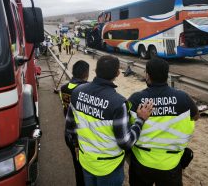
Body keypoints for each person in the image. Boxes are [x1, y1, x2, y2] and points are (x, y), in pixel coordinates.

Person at [65, 55, 153, 186]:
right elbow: (126, 142)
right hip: (109, 166)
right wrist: (140, 120)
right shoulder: (118, 102)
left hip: (86, 160)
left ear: (95, 70)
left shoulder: (77, 92)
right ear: (118, 73)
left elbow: (70, 129)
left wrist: (78, 147)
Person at [128, 58, 199, 186]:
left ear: (148, 75)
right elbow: (195, 117)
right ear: (167, 76)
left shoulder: (136, 98)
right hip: (171, 163)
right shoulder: (183, 97)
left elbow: (125, 125)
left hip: (141, 161)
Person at [61, 60, 90, 186]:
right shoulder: (86, 90)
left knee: (77, 166)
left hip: (69, 133)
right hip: (82, 136)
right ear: (86, 73)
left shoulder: (64, 88)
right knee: (86, 168)